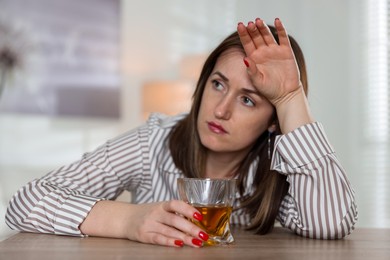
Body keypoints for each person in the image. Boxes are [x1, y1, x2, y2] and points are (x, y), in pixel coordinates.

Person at [5, 18, 357, 248]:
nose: (221, 110)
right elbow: (26, 203)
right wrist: (130, 219)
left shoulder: (280, 168)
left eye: (248, 100)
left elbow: (330, 224)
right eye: (218, 84)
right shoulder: (152, 142)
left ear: (272, 120)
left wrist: (291, 97)